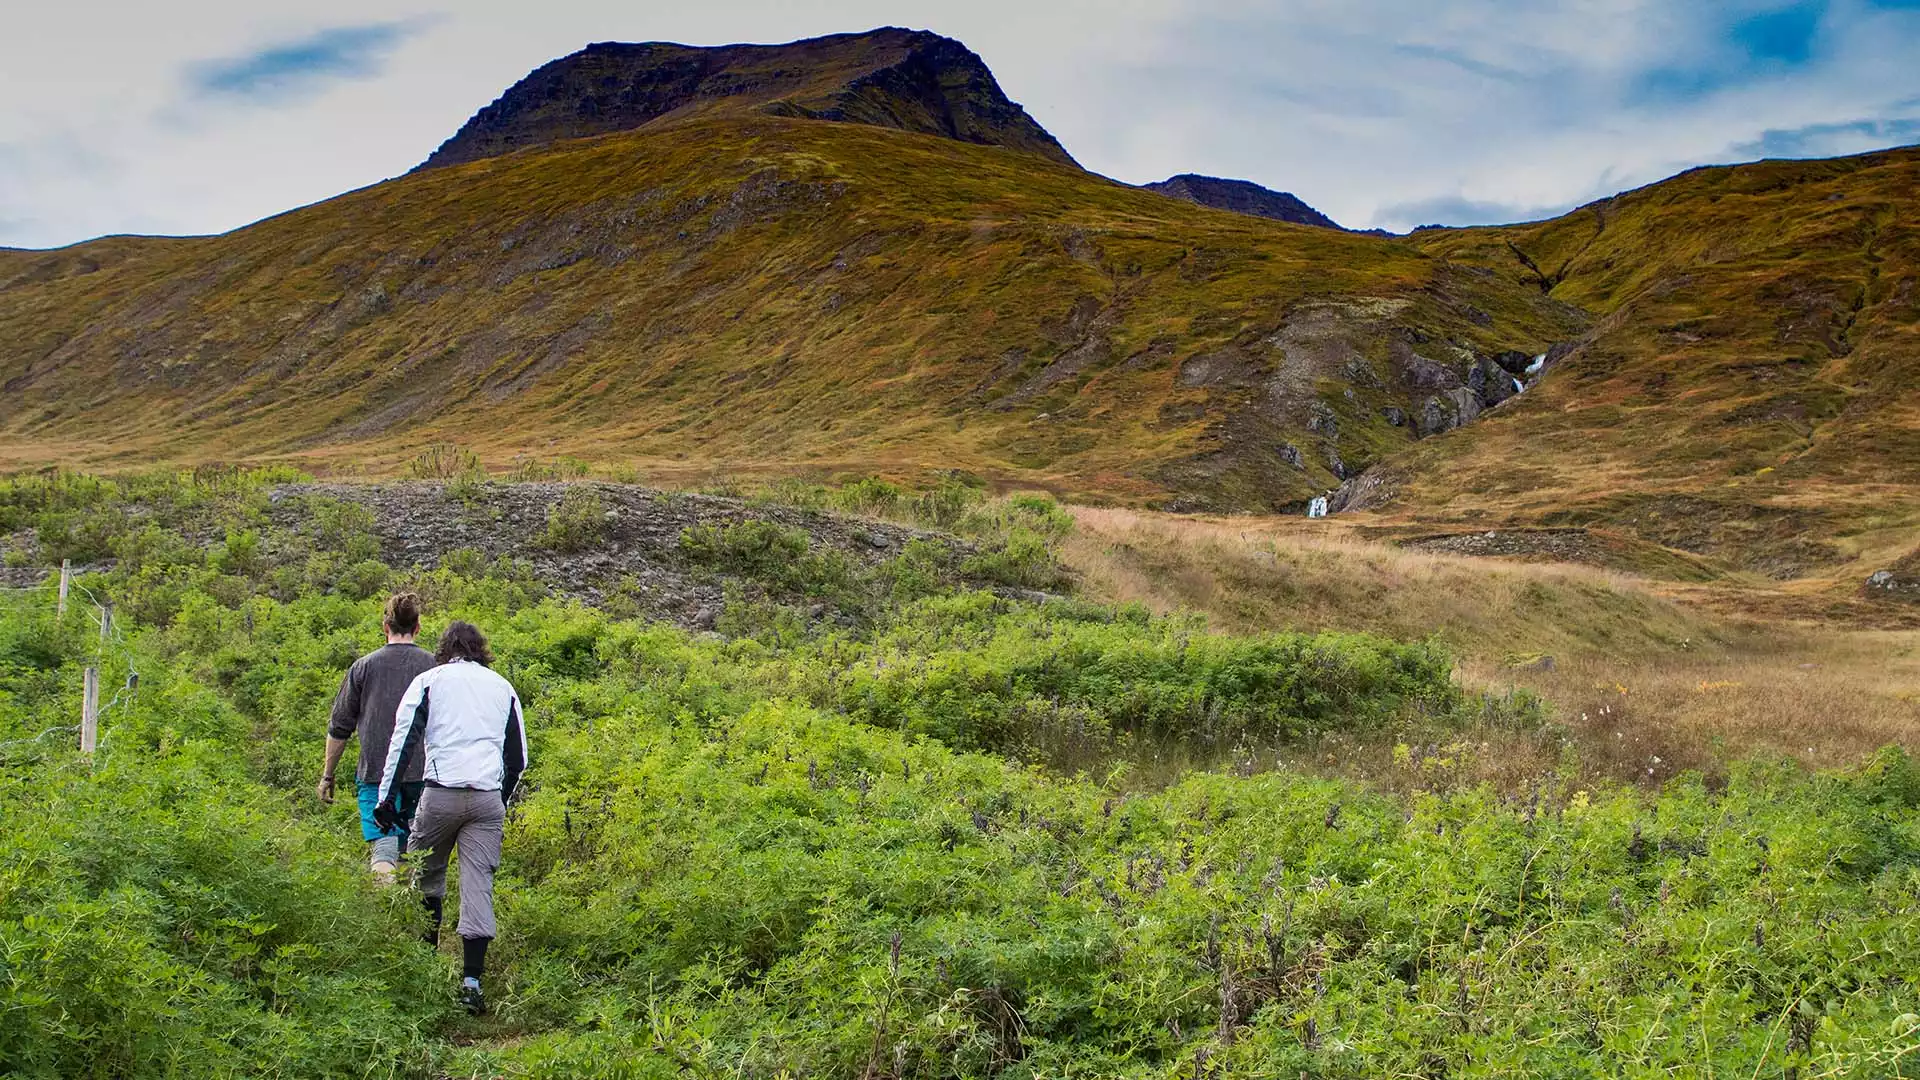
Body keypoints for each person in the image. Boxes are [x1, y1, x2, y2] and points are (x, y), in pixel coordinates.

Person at [373, 620, 529, 1017]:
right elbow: (518, 759)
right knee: (479, 885)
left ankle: (425, 967)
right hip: (485, 800)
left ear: (444, 648)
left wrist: (385, 800)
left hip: (440, 794)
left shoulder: (430, 681)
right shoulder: (503, 687)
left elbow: (402, 742)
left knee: (427, 877)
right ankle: (471, 983)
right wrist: (502, 799)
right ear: (482, 649)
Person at [319, 593, 437, 885]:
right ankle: (410, 914)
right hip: (422, 772)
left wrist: (327, 775)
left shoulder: (363, 667)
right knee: (412, 848)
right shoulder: (435, 667)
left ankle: (387, 911)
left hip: (376, 773)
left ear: (386, 626)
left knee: (384, 847)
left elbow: (339, 727)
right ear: (418, 627)